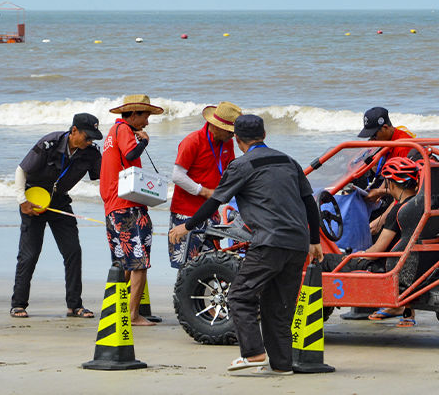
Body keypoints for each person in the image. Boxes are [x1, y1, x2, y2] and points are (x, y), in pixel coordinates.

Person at [169, 114, 323, 375]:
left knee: (239, 296)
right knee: (279, 306)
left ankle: (253, 353)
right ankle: (282, 365)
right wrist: (315, 241)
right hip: (297, 244)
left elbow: (215, 201)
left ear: (237, 140)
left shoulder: (241, 165)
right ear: (265, 135)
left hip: (268, 242)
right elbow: (309, 202)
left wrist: (187, 226)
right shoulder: (289, 161)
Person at [11, 113, 103, 318]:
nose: (90, 142)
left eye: (93, 139)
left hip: (59, 201)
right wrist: (22, 201)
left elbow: (104, 181)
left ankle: (75, 305)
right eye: (87, 137)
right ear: (74, 131)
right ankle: (18, 304)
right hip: (34, 199)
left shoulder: (91, 153)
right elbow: (21, 170)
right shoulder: (49, 143)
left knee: (73, 252)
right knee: (30, 254)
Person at [321, 157, 420, 327]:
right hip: (410, 263)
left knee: (324, 260)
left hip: (382, 265)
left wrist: (359, 255)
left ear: (391, 183)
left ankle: (311, 312)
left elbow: (378, 249)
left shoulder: (398, 211)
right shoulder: (420, 204)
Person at [100, 94, 164, 326]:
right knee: (139, 263)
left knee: (122, 264)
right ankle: (133, 315)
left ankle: (115, 309)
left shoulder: (111, 132)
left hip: (112, 206)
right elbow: (130, 155)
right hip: (128, 207)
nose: (147, 122)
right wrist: (144, 142)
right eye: (145, 116)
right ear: (134, 113)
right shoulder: (125, 130)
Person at [168, 101, 242, 268]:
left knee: (211, 264)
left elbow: (230, 171)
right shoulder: (192, 141)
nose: (233, 136)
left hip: (211, 211)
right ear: (217, 126)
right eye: (230, 132)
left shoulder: (227, 143)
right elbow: (177, 176)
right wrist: (204, 192)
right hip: (186, 211)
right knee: (187, 266)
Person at [357, 107, 414, 235]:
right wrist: (380, 192)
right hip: (398, 190)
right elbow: (389, 175)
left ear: (386, 128)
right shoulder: (388, 142)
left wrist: (380, 221)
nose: (372, 140)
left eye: (374, 135)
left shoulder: (402, 147)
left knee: (376, 224)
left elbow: (405, 193)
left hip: (408, 195)